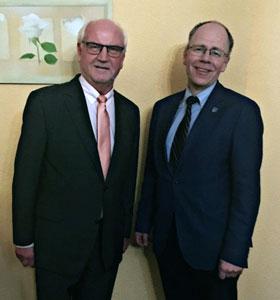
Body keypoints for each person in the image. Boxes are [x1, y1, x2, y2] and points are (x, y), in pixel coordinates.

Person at [135, 21, 263, 300]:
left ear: (226, 62)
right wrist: (144, 221)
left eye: (216, 52)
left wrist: (235, 252)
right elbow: (153, 172)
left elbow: (247, 191)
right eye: (199, 49)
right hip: (167, 241)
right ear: (186, 55)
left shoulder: (242, 112)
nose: (206, 59)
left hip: (214, 252)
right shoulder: (163, 109)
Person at [13, 19, 139, 300]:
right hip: (56, 247)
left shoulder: (130, 113)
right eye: (95, 46)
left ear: (122, 58)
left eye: (113, 49)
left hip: (106, 250)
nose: (103, 56)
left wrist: (123, 231)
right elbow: (26, 177)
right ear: (80, 50)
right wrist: (23, 238)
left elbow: (127, 178)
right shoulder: (46, 104)